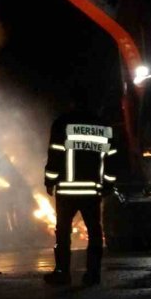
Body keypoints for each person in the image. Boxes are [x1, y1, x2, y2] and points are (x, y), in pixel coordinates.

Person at [43, 86, 117, 286]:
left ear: (72, 102)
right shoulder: (103, 126)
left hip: (67, 190)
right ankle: (93, 275)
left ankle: (62, 273)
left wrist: (49, 180)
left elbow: (55, 154)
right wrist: (108, 185)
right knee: (94, 232)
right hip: (92, 190)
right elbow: (110, 159)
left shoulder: (62, 123)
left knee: (63, 232)